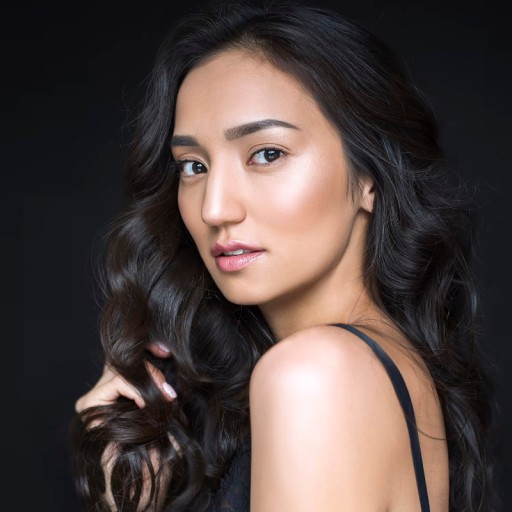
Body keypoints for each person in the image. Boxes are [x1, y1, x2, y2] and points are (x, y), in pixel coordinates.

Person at [69, 1, 500, 510]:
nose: (214, 208)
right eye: (193, 166)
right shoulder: (381, 369)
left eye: (267, 154)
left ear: (370, 177)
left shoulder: (313, 376)